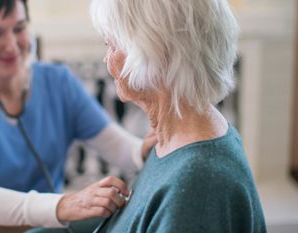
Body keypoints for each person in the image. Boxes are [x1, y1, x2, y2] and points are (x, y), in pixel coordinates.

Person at [0, 0, 156, 229]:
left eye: (19, 28)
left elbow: (116, 146)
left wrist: (144, 149)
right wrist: (64, 205)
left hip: (41, 225)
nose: (11, 45)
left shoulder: (59, 82)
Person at [87, 0, 267, 232]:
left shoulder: (198, 185)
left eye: (111, 45)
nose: (106, 59)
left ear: (153, 55)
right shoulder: (175, 140)